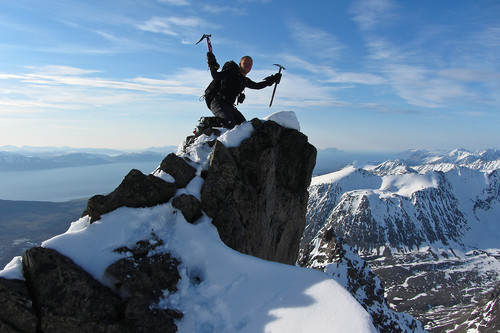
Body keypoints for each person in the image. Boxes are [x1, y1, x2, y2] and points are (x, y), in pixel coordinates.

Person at [204, 52, 281, 129]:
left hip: (229, 105)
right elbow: (216, 76)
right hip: (217, 101)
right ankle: (206, 123)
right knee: (229, 123)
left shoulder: (244, 80)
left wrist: (273, 79)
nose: (247, 65)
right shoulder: (231, 71)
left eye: (250, 64)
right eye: (245, 63)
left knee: (244, 126)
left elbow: (258, 86)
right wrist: (212, 63)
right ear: (240, 64)